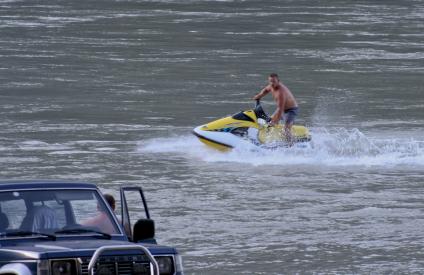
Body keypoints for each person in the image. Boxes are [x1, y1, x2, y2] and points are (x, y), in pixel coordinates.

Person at [253, 73, 298, 143]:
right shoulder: (271, 86)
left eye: (273, 81)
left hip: (291, 110)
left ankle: (291, 146)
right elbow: (265, 90)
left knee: (286, 129)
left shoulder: (281, 92)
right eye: (270, 81)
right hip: (281, 109)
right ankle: (271, 139)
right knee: (269, 121)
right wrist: (259, 96)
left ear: (278, 81)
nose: (272, 83)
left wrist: (275, 121)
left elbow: (280, 109)